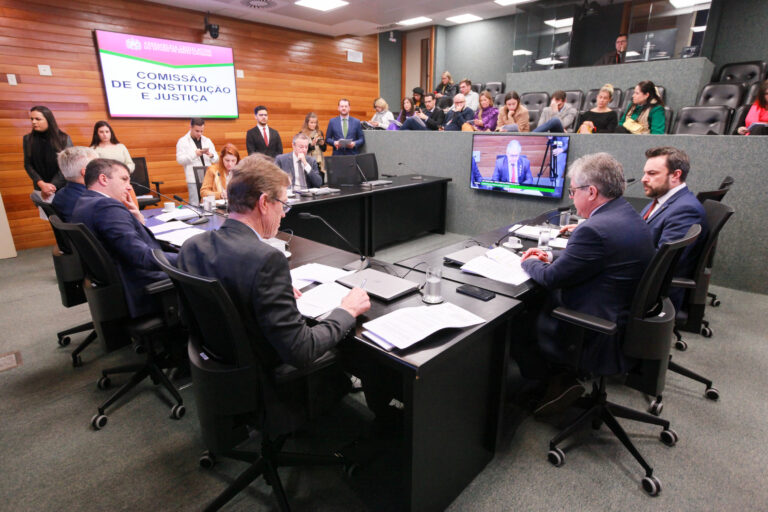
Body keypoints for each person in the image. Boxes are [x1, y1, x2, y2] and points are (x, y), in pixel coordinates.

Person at [177, 155, 381, 428]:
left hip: (222, 366)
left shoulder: (192, 246)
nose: (284, 213)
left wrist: (269, 294)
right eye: (282, 204)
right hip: (267, 377)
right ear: (263, 203)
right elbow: (302, 349)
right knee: (362, 351)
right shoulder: (266, 260)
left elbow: (193, 313)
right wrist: (347, 310)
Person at [519, 153, 654, 415]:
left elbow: (551, 277)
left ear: (591, 191)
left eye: (573, 191)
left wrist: (528, 262)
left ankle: (553, 383)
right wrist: (550, 256)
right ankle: (557, 379)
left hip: (595, 323)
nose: (571, 197)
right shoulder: (627, 214)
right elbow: (596, 258)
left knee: (522, 316)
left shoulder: (593, 229)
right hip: (621, 313)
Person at [70, 158, 179, 318]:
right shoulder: (107, 207)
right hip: (143, 286)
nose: (129, 186)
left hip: (119, 282)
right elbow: (141, 257)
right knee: (208, 268)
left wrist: (138, 221)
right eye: (124, 179)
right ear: (103, 179)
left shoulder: (84, 202)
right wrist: (188, 257)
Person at [640, 146, 708, 310]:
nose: (644, 179)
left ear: (676, 175)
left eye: (652, 173)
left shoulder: (685, 210)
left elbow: (661, 263)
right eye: (645, 173)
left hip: (652, 292)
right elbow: (639, 227)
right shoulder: (663, 199)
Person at [23, 106, 73, 201]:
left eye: (38, 119)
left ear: (48, 120)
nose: (33, 122)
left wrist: (52, 186)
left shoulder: (64, 138)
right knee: (48, 215)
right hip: (41, 188)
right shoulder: (27, 139)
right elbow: (28, 165)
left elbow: (68, 165)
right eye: (32, 119)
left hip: (62, 187)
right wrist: (42, 184)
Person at [90, 120, 139, 208]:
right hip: (107, 186)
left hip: (124, 182)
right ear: (96, 134)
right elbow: (95, 170)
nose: (104, 134)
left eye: (107, 131)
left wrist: (122, 173)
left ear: (111, 133)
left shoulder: (120, 147)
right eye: (101, 132)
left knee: (133, 208)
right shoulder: (93, 149)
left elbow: (130, 164)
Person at [176, 118, 218, 206]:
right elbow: (180, 160)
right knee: (195, 204)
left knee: (210, 203)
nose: (199, 133)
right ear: (190, 127)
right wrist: (194, 154)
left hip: (208, 176)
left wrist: (211, 155)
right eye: (197, 131)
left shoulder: (207, 140)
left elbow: (216, 158)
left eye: (202, 131)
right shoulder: (183, 141)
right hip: (193, 178)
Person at [51, 146, 98, 221]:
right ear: (85, 172)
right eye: (97, 166)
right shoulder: (90, 202)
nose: (101, 168)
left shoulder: (60, 194)